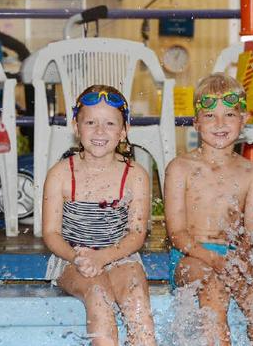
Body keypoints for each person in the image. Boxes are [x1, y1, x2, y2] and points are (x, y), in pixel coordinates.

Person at [165, 73, 253, 345]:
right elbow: (176, 233)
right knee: (213, 289)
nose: (220, 123)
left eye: (229, 115)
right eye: (210, 116)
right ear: (196, 123)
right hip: (190, 257)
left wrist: (238, 261)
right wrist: (214, 260)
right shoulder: (180, 168)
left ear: (244, 119)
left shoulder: (252, 173)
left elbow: (252, 232)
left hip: (234, 256)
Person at [42, 85, 156, 346]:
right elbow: (51, 233)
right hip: (71, 258)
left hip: (119, 255)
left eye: (109, 123)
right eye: (90, 122)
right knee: (98, 293)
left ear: (124, 130)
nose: (99, 131)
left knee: (137, 296)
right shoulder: (60, 174)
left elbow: (136, 234)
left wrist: (102, 257)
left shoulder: (135, 175)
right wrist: (79, 258)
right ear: (76, 126)